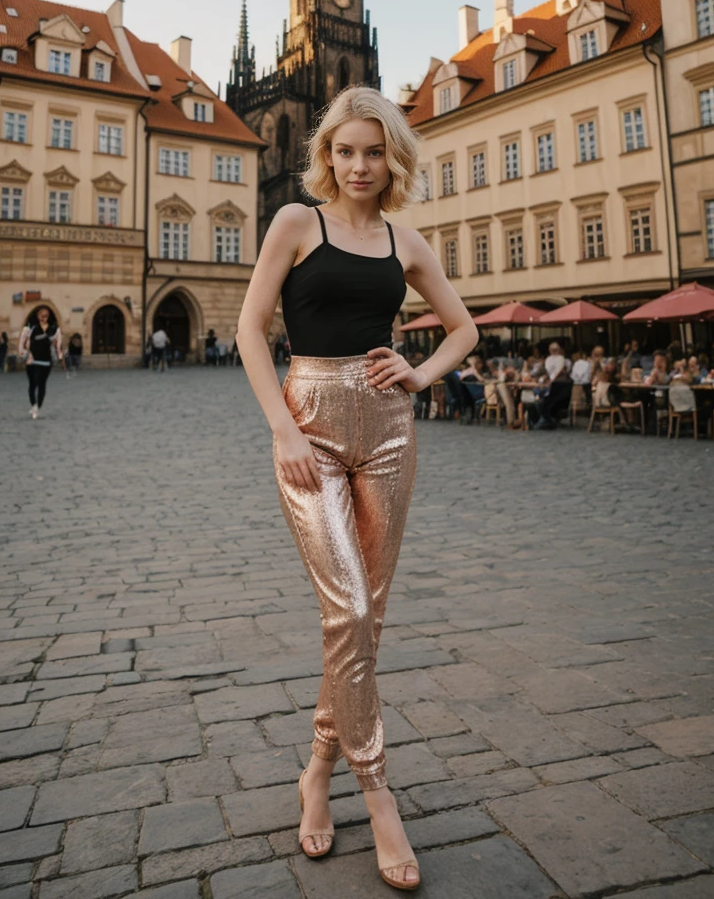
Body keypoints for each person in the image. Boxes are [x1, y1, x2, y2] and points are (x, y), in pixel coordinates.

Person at [235, 86, 478, 891]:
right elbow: (250, 328)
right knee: (349, 609)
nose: (360, 165)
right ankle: (378, 796)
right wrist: (282, 428)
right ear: (327, 156)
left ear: (391, 157)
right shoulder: (296, 222)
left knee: (364, 619)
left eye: (375, 152)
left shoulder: (406, 241)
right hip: (308, 427)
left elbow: (464, 328)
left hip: (388, 433)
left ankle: (314, 772)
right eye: (346, 151)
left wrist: (421, 371)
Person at [18, 307, 63, 418]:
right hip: (32, 361)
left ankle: (37, 407)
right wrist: (23, 353)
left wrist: (60, 355)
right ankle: (34, 405)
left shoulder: (54, 330)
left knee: (42, 384)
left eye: (46, 315)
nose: (43, 318)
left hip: (46, 362)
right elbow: (21, 343)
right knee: (33, 384)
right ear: (37, 316)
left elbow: (58, 346)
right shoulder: (29, 328)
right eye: (41, 315)